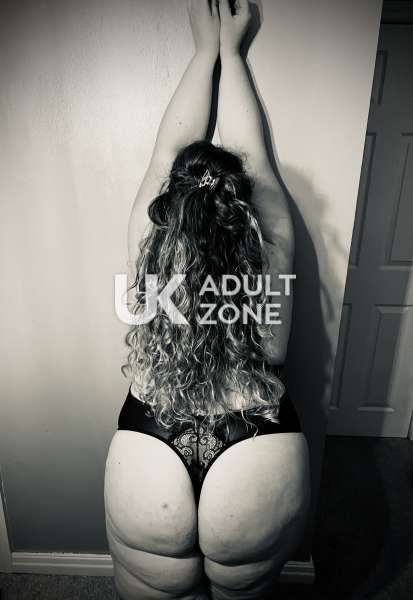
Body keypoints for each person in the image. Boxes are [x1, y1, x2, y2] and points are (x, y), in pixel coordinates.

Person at [104, 1, 311, 598]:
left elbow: (165, 152)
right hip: (258, 451)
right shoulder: (270, 248)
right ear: (241, 204)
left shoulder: (148, 243)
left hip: (151, 447)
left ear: (170, 205)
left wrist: (203, 54)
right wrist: (233, 53)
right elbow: (257, 159)